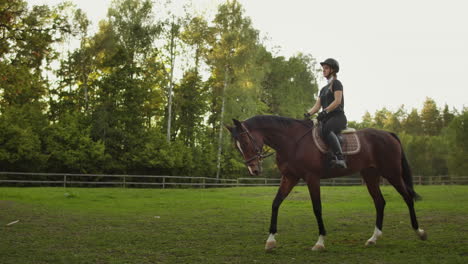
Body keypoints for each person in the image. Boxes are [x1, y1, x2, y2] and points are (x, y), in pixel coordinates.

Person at [304, 58, 347, 168]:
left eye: (326, 68)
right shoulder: (323, 89)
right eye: (323, 68)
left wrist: (326, 111)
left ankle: (340, 158)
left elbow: (337, 101)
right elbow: (317, 106)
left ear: (333, 70)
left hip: (338, 117)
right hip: (326, 117)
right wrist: (308, 114)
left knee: (326, 129)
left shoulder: (337, 84)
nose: (323, 70)